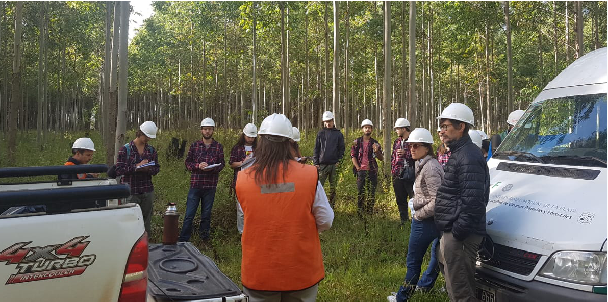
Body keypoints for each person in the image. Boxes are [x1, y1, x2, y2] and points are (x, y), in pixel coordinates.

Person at [235, 113, 334, 302]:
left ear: (261, 141)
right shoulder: (309, 175)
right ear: (290, 142)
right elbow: (326, 221)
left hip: (258, 272)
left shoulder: (244, 178)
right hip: (301, 270)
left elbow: (246, 216)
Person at [435, 103, 490, 302]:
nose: (442, 131)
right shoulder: (460, 152)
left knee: (462, 290)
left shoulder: (468, 156)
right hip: (455, 232)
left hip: (462, 235)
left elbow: (474, 201)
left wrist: (457, 232)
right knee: (454, 285)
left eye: (446, 126)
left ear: (462, 127)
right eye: (441, 126)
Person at [388, 128, 445, 302]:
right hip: (433, 221)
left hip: (426, 222)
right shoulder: (423, 163)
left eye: (416, 146)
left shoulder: (430, 167)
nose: (411, 149)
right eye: (410, 145)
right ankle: (425, 286)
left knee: (413, 262)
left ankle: (402, 297)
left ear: (427, 148)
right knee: (437, 257)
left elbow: (438, 200)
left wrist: (419, 214)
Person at [179, 117, 225, 242]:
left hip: (210, 186)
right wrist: (198, 166)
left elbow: (222, 164)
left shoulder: (218, 147)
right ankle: (183, 240)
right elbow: (188, 163)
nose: (207, 132)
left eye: (210, 129)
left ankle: (204, 239)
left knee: (206, 215)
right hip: (196, 184)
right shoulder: (194, 146)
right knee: (189, 214)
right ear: (201, 130)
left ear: (213, 130)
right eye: (205, 129)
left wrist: (212, 168)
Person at [115, 121, 160, 234]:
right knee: (129, 220)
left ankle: (146, 246)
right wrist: (136, 167)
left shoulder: (151, 150)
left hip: (147, 190)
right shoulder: (125, 149)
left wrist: (148, 169)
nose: (148, 139)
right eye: (146, 136)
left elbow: (156, 168)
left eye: (150, 137)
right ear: (140, 133)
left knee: (146, 221)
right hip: (130, 191)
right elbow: (119, 169)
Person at [229, 123, 257, 234]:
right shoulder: (237, 148)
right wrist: (242, 163)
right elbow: (231, 164)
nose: (250, 139)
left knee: (254, 208)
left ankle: (253, 230)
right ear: (244, 135)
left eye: (253, 137)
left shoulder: (259, 148)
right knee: (241, 209)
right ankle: (242, 232)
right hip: (240, 181)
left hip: (255, 182)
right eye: (248, 136)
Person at [351, 119, 383, 215]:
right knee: (361, 193)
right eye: (366, 128)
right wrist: (357, 167)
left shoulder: (375, 143)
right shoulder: (356, 142)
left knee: (371, 193)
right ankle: (360, 213)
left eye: (369, 128)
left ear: (371, 129)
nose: (367, 129)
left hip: (372, 171)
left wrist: (377, 151)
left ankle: (369, 213)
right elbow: (353, 156)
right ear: (362, 129)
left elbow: (381, 158)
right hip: (361, 171)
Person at [313, 111, 345, 206]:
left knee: (333, 188)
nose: (328, 123)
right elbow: (316, 149)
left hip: (334, 165)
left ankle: (332, 206)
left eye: (330, 121)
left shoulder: (338, 134)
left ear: (333, 120)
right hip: (322, 165)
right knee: (319, 187)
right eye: (326, 121)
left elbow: (341, 149)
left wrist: (339, 161)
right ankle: (318, 206)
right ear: (324, 122)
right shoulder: (320, 134)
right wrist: (316, 163)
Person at [391, 118, 415, 225]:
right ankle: (404, 221)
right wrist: (393, 170)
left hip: (411, 174)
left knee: (414, 199)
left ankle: (416, 221)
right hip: (397, 174)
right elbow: (393, 157)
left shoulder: (414, 140)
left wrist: (406, 153)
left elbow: (418, 155)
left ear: (404, 129)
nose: (396, 130)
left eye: (398, 129)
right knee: (400, 199)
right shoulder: (397, 141)